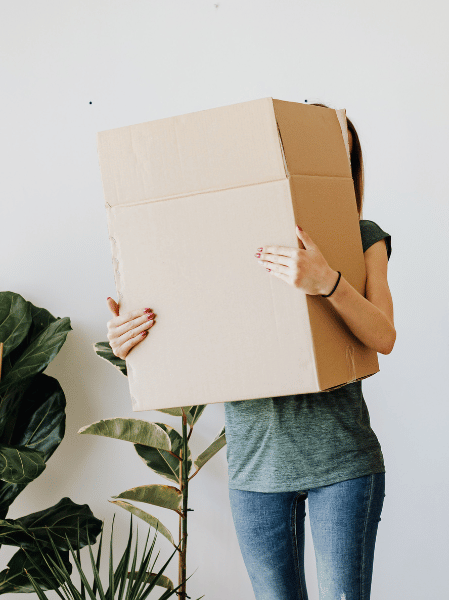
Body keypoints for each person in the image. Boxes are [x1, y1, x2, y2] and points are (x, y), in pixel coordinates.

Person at [105, 108, 394, 600]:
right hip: (255, 469)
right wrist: (131, 339)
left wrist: (327, 282)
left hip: (343, 465)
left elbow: (383, 336)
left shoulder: (364, 236)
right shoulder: (218, 235)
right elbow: (185, 326)